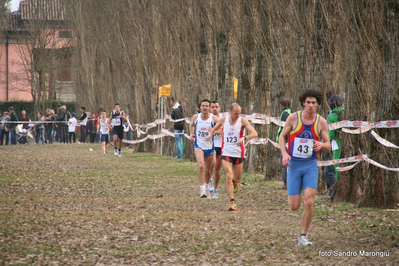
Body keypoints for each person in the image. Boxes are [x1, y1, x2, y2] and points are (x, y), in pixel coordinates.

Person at [278, 89, 330, 246]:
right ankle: (301, 232)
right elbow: (282, 136)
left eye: (314, 103)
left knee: (309, 201)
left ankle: (303, 236)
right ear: (303, 103)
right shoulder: (294, 118)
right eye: (308, 102)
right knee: (294, 206)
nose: (310, 105)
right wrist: (284, 154)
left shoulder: (321, 122)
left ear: (318, 104)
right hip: (294, 165)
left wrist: (321, 144)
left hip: (310, 165)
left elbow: (328, 145)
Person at [207, 103, 258, 210]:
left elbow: (254, 133)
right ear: (230, 111)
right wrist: (209, 135)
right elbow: (214, 129)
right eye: (236, 113)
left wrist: (244, 138)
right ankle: (232, 202)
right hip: (226, 152)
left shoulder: (243, 121)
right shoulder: (223, 120)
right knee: (228, 175)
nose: (238, 115)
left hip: (239, 153)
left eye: (239, 113)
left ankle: (235, 183)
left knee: (237, 178)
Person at [189, 99, 218, 198]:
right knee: (201, 166)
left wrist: (213, 131)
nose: (204, 107)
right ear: (200, 107)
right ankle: (202, 189)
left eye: (206, 106)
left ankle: (206, 185)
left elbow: (223, 131)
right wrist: (191, 134)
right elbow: (191, 125)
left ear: (209, 108)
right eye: (203, 106)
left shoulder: (214, 119)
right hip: (199, 145)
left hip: (210, 146)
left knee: (208, 170)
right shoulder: (196, 117)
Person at [323, 94, 345, 199]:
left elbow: (331, 135)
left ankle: (334, 192)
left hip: (336, 144)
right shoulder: (345, 111)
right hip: (347, 144)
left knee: (336, 168)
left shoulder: (332, 115)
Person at [209, 100, 224, 199]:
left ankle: (215, 188)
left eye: (216, 107)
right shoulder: (207, 118)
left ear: (219, 108)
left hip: (221, 145)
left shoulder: (224, 118)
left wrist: (214, 131)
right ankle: (209, 180)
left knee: (217, 169)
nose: (214, 108)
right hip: (211, 145)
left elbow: (224, 132)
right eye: (213, 107)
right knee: (211, 166)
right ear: (210, 108)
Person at [276, 97, 292, 190]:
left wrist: (283, 140)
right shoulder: (289, 112)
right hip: (287, 141)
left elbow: (283, 128)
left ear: (282, 104)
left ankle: (286, 183)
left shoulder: (285, 114)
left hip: (285, 142)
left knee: (284, 163)